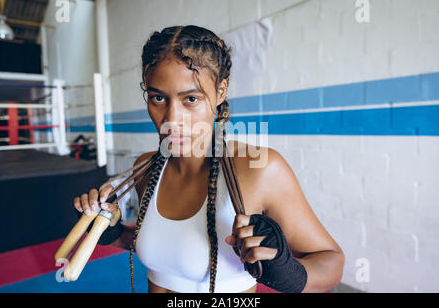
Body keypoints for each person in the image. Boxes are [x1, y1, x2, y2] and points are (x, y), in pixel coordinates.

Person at [73, 25, 345, 293]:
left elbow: (331, 261)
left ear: (221, 91)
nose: (171, 119)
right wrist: (111, 231)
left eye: (190, 98)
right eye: (157, 98)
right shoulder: (146, 168)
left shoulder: (258, 168)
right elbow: (170, 251)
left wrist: (288, 272)